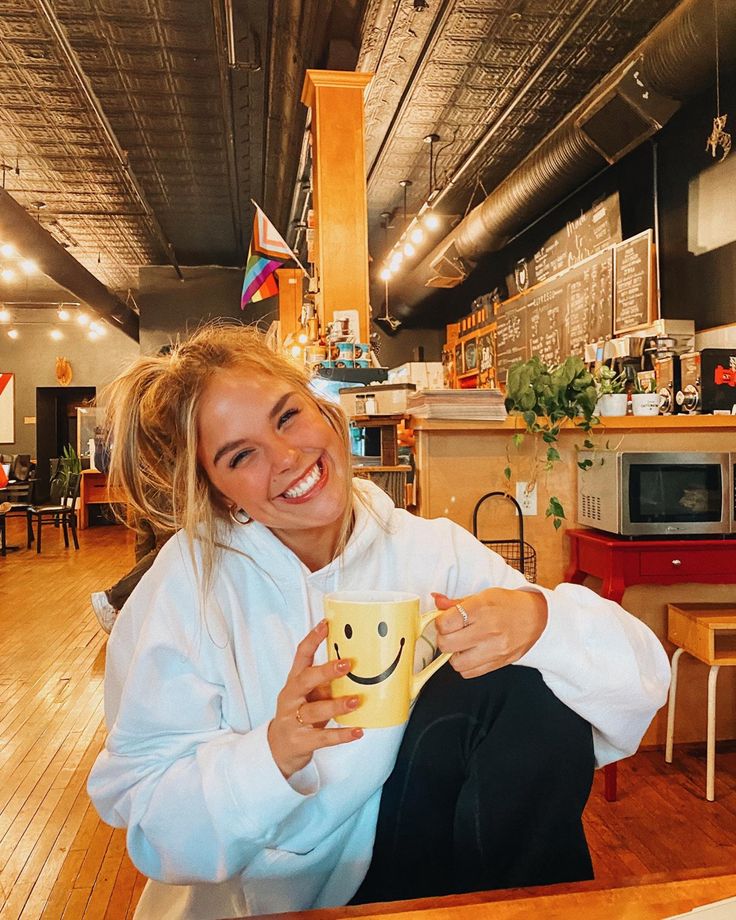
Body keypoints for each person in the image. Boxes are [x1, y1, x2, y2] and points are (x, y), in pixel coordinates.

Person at [87, 323, 670, 920]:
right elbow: (148, 813)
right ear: (220, 491)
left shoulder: (429, 549)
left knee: (530, 680)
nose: (287, 458)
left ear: (323, 409)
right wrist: (270, 752)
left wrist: (540, 619)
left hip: (410, 855)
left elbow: (641, 678)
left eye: (287, 417)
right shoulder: (187, 585)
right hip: (262, 894)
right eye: (241, 455)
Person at [91, 519, 171, 633]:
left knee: (146, 546)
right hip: (165, 501)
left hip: (143, 501)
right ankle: (113, 598)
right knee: (167, 549)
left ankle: (139, 608)